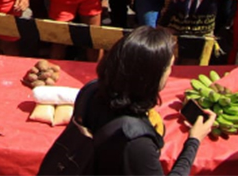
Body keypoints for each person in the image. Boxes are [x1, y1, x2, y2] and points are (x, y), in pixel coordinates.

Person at [40, 26, 215, 175]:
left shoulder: (91, 90)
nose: (171, 73)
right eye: (169, 67)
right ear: (151, 78)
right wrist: (194, 141)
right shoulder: (136, 141)